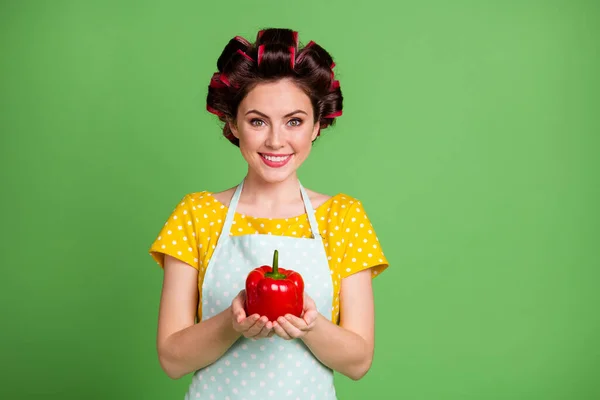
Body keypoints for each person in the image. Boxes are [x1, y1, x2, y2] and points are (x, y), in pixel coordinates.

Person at [148, 27, 389, 400]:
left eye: (294, 121)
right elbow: (172, 359)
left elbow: (358, 362)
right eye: (257, 121)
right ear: (233, 124)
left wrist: (309, 326)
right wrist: (233, 323)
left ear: (316, 127)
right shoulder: (196, 214)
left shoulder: (344, 218)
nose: (276, 141)